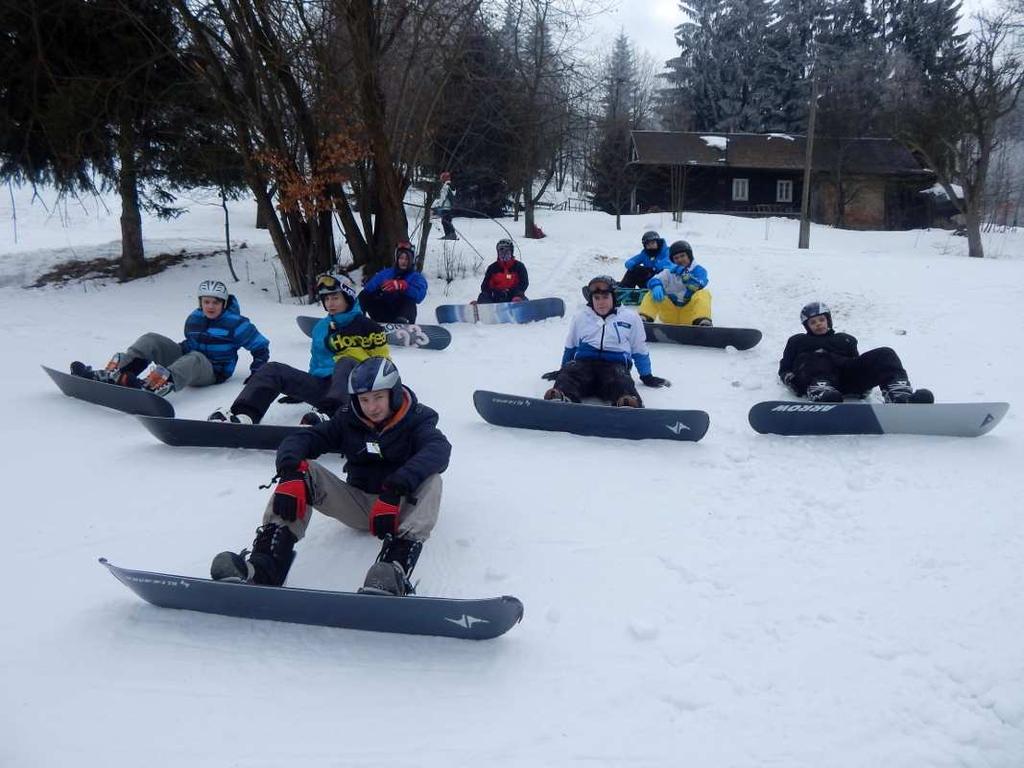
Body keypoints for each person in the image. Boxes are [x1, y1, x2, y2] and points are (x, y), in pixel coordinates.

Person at [210, 357, 452, 596]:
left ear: (394, 393)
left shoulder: (418, 419)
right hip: (358, 504)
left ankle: (393, 572)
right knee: (302, 471)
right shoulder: (348, 419)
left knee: (432, 480)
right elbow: (302, 439)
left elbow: (438, 450)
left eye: (379, 397)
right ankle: (264, 566)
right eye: (364, 399)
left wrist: (396, 488)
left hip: (400, 507)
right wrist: (290, 470)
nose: (372, 407)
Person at [208, 273, 390, 425]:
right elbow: (316, 365)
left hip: (356, 391)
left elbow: (383, 365)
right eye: (326, 298)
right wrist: (300, 391)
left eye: (335, 297)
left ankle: (331, 417)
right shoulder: (320, 328)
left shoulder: (368, 327)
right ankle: (245, 415)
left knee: (346, 361)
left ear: (348, 298)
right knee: (273, 369)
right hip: (324, 390)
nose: (330, 303)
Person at [70, 279, 269, 397]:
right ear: (200, 302)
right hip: (187, 362)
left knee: (196, 357)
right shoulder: (195, 318)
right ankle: (117, 373)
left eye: (216, 303)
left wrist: (256, 373)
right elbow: (190, 343)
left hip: (213, 372)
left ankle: (153, 386)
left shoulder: (236, 323)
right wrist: (172, 351)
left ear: (224, 304)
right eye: (206, 302)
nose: (210, 306)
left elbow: (260, 347)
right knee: (151, 339)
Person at [542, 275, 670, 408]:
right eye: (596, 298)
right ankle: (561, 398)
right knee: (570, 373)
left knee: (621, 379)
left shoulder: (630, 318)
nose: (600, 302)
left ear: (613, 297)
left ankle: (626, 401)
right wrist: (562, 370)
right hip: (584, 365)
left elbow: (639, 349)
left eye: (605, 297)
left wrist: (646, 375)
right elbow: (571, 346)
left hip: (614, 366)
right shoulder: (581, 317)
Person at [778, 301, 935, 404]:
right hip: (817, 379)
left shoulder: (845, 340)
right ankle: (821, 391)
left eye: (821, 320)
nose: (818, 324)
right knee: (820, 356)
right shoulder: (798, 341)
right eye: (813, 322)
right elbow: (785, 368)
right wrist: (790, 380)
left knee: (886, 353)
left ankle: (899, 393)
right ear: (807, 326)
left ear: (828, 320)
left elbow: (857, 363)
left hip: (845, 379)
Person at [638, 240, 712, 326]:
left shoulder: (699, 270)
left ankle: (703, 322)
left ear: (689, 256)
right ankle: (644, 320)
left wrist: (684, 274)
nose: (680, 260)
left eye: (682, 256)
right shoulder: (669, 271)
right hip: (670, 313)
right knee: (651, 293)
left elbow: (698, 285)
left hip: (689, 314)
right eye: (676, 258)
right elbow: (654, 280)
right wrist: (656, 285)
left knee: (704, 293)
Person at [358, 241, 428, 324]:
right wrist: (379, 290)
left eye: (407, 259)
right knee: (364, 296)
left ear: (411, 260)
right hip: (383, 313)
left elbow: (419, 296)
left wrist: (404, 287)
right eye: (401, 258)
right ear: (397, 259)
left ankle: (403, 325)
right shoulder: (386, 273)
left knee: (409, 300)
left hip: (402, 314)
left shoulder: (416, 277)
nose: (403, 261)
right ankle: (357, 320)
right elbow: (367, 290)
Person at [476, 238, 529, 304]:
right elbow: (485, 286)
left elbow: (524, 283)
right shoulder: (492, 268)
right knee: (483, 296)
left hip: (514, 296)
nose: (504, 255)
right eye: (501, 252)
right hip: (496, 298)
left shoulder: (519, 266)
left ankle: (522, 310)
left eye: (507, 252)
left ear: (511, 252)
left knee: (521, 300)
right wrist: (495, 292)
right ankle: (480, 309)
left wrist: (515, 293)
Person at [436, 171, 457, 240]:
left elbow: (443, 197)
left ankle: (450, 234)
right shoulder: (452, 186)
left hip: (445, 207)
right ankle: (451, 234)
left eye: (442, 178)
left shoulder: (446, 186)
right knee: (448, 220)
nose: (441, 180)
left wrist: (439, 205)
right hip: (450, 207)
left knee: (445, 221)